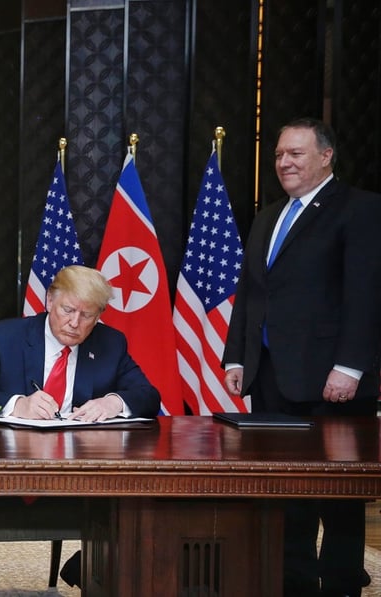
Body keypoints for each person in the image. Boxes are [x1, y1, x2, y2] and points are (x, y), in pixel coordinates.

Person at [0, 265, 160, 596]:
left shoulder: (110, 343)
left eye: (87, 315)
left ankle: (89, 566)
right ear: (49, 300)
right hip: (3, 475)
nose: (75, 323)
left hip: (81, 483)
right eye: (67, 310)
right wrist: (16, 404)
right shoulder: (4, 337)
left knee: (144, 508)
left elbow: (148, 396)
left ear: (99, 316)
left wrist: (113, 402)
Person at [223, 117, 381, 597]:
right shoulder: (269, 216)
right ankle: (293, 583)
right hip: (271, 377)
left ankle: (341, 585)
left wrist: (350, 367)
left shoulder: (361, 209)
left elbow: (367, 295)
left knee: (338, 494)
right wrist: (237, 357)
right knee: (284, 491)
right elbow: (252, 293)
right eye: (278, 155)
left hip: (331, 379)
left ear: (326, 156)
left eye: (295, 153)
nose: (284, 162)